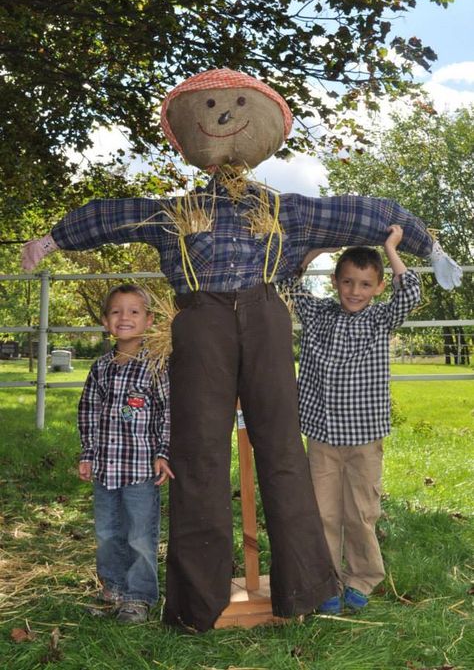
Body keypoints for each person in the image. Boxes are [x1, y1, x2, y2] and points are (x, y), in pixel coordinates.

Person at [21, 69, 460, 632]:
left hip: (266, 320)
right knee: (197, 455)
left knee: (283, 451)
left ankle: (306, 587)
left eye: (236, 105)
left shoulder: (287, 210)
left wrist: (427, 244)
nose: (223, 115)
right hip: (199, 326)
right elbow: (112, 215)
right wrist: (53, 238)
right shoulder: (174, 212)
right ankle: (195, 602)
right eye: (209, 107)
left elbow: (368, 212)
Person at [285, 225, 421, 614]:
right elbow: (286, 286)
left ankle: (361, 577)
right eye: (347, 282)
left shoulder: (380, 320)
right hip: (323, 438)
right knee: (323, 512)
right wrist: (317, 247)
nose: (355, 291)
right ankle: (327, 579)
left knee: (360, 513)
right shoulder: (318, 314)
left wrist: (391, 248)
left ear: (378, 287)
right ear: (335, 282)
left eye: (365, 284)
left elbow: (410, 293)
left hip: (364, 439)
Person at [78, 283, 174, 624]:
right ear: (105, 321)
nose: (124, 317)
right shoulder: (100, 368)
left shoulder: (155, 366)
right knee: (106, 533)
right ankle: (113, 589)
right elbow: (88, 412)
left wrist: (164, 453)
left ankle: (139, 596)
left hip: (140, 471)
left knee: (139, 535)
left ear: (148, 320)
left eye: (134, 311)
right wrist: (87, 454)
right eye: (116, 311)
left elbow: (168, 412)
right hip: (105, 470)